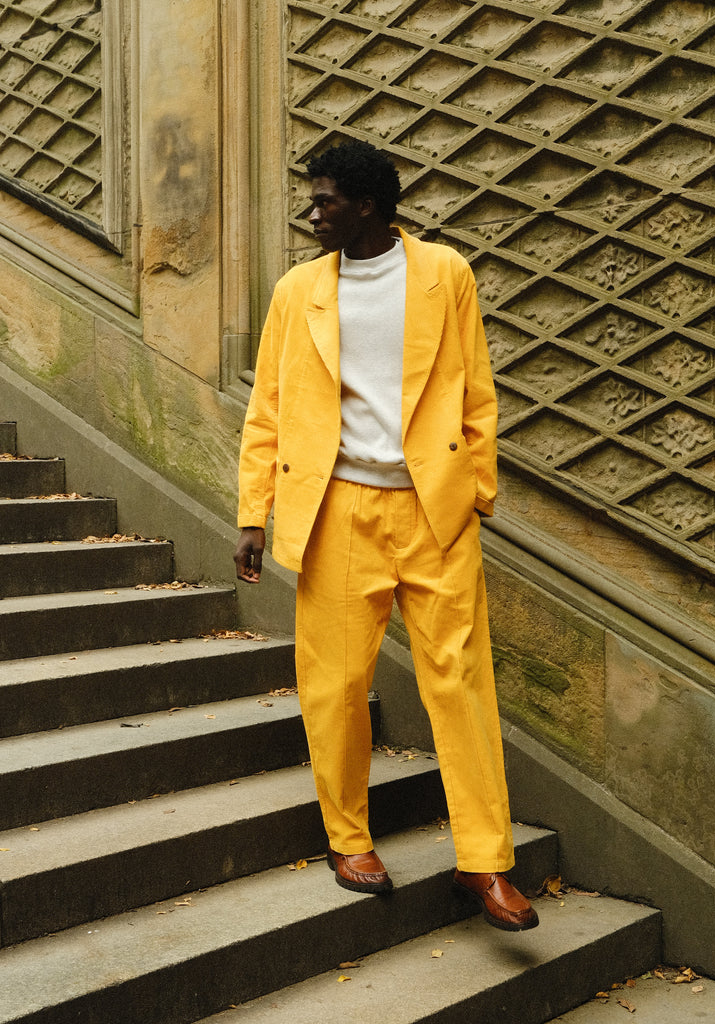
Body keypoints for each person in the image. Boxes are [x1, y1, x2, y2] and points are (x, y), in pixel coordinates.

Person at [233, 139, 538, 932]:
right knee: (334, 687)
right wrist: (252, 513)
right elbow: (267, 409)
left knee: (461, 686)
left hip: (433, 514)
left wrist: (474, 491)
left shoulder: (444, 273)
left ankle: (485, 861)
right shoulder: (298, 290)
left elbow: (477, 390)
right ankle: (347, 839)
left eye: (325, 199)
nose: (312, 212)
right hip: (335, 511)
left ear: (367, 203)